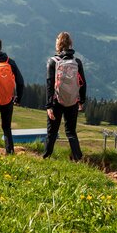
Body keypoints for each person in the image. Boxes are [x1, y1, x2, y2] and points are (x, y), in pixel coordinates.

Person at [43, 31, 86, 160]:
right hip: (72, 101)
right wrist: (81, 101)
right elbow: (82, 82)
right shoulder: (77, 62)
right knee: (71, 131)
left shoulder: (53, 62)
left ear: (58, 44)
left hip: (56, 101)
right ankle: (78, 158)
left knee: (52, 132)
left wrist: (49, 105)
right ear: (70, 44)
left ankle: (46, 157)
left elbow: (50, 85)